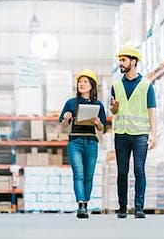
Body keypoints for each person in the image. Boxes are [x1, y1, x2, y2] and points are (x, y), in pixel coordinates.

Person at [110, 46, 157, 219]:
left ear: (134, 61)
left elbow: (152, 111)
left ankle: (139, 208)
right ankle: (122, 208)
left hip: (140, 134)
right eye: (120, 60)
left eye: (123, 60)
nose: (120, 63)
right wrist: (113, 108)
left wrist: (154, 135)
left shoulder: (146, 85)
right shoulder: (115, 85)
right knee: (122, 171)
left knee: (139, 170)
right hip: (121, 134)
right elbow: (113, 111)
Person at [59, 69, 106, 219]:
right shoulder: (71, 103)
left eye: (85, 81)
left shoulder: (98, 105)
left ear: (92, 85)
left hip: (91, 142)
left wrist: (98, 122)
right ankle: (80, 205)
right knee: (78, 174)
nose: (81, 84)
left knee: (88, 176)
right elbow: (63, 125)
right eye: (79, 81)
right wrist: (66, 119)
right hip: (75, 142)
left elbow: (102, 128)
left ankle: (86, 203)